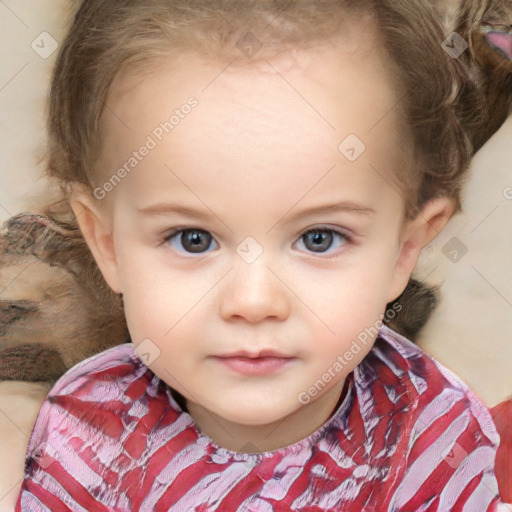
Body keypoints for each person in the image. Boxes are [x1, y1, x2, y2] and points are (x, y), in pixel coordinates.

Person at [13, 0, 512, 510]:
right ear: (107, 243)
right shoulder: (87, 432)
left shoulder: (435, 437)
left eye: (320, 238)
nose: (254, 302)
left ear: (406, 249)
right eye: (193, 239)